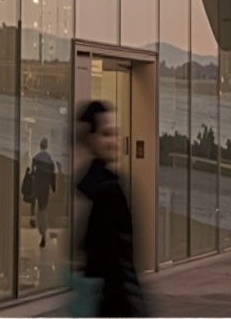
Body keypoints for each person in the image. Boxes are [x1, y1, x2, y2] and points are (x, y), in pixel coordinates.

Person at [77, 100, 143, 317]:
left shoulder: (91, 185)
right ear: (91, 139)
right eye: (106, 134)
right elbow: (118, 266)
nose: (114, 141)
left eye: (115, 133)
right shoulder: (106, 191)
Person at [24, 136, 57, 248]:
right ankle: (43, 232)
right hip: (45, 188)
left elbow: (33, 172)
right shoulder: (50, 160)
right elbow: (52, 176)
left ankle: (40, 229)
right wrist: (53, 187)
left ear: (40, 145)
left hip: (37, 186)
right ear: (47, 146)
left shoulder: (36, 158)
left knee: (38, 209)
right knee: (43, 209)